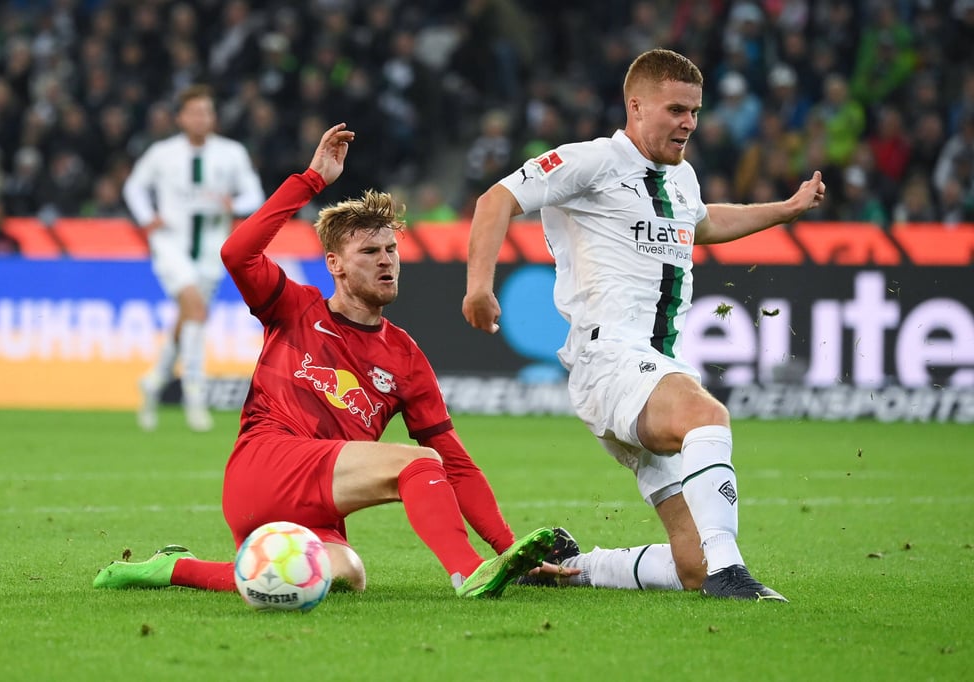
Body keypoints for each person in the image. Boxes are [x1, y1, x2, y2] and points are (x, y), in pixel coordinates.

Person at [94, 123, 557, 598]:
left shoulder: (405, 356)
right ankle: (468, 572)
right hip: (264, 468)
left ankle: (175, 569)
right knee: (418, 462)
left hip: (320, 501)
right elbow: (236, 252)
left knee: (342, 574)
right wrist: (311, 180)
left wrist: (511, 550)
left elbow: (458, 466)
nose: (387, 262)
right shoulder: (295, 308)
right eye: (370, 252)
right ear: (334, 263)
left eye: (392, 250)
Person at [463, 48, 825, 601]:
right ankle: (733, 576)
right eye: (676, 109)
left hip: (652, 368)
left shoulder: (681, 178)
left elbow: (703, 222)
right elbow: (496, 200)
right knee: (705, 414)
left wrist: (783, 209)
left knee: (690, 565)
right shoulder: (590, 161)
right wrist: (479, 286)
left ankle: (570, 567)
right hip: (609, 361)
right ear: (636, 105)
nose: (689, 123)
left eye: (695, 111)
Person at [123, 84, 266, 432]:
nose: (201, 118)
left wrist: (237, 205)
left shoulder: (231, 153)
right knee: (196, 309)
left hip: (212, 250)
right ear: (181, 118)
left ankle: (154, 380)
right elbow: (133, 187)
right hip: (171, 244)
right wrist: (147, 219)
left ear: (213, 116)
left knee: (189, 317)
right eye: (194, 112)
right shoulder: (162, 153)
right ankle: (195, 395)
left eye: (207, 111)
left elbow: (255, 194)